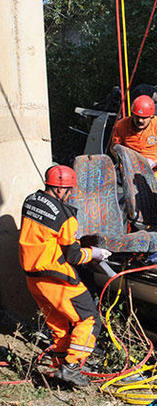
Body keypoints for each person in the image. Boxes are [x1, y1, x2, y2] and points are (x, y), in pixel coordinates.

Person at [19, 165, 112, 387]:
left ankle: (58, 367)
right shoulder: (65, 216)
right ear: (61, 190)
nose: (71, 194)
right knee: (88, 318)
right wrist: (94, 253)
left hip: (32, 277)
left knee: (59, 322)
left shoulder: (30, 201)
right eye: (69, 189)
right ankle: (72, 366)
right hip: (56, 277)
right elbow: (73, 255)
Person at [110, 94, 157, 211]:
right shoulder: (121, 125)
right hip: (133, 175)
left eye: (144, 117)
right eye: (137, 117)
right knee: (124, 203)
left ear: (152, 116)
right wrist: (124, 161)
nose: (140, 120)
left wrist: (153, 162)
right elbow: (114, 148)